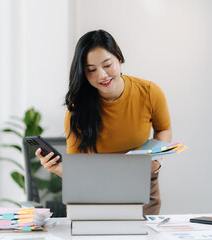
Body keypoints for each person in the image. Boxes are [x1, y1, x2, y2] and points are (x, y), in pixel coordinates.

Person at [35, 29, 172, 215]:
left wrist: (157, 161)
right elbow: (78, 171)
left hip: (140, 185)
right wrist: (59, 169)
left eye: (107, 65)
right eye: (91, 70)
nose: (102, 76)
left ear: (119, 59)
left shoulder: (149, 92)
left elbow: (163, 128)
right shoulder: (77, 109)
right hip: (94, 190)